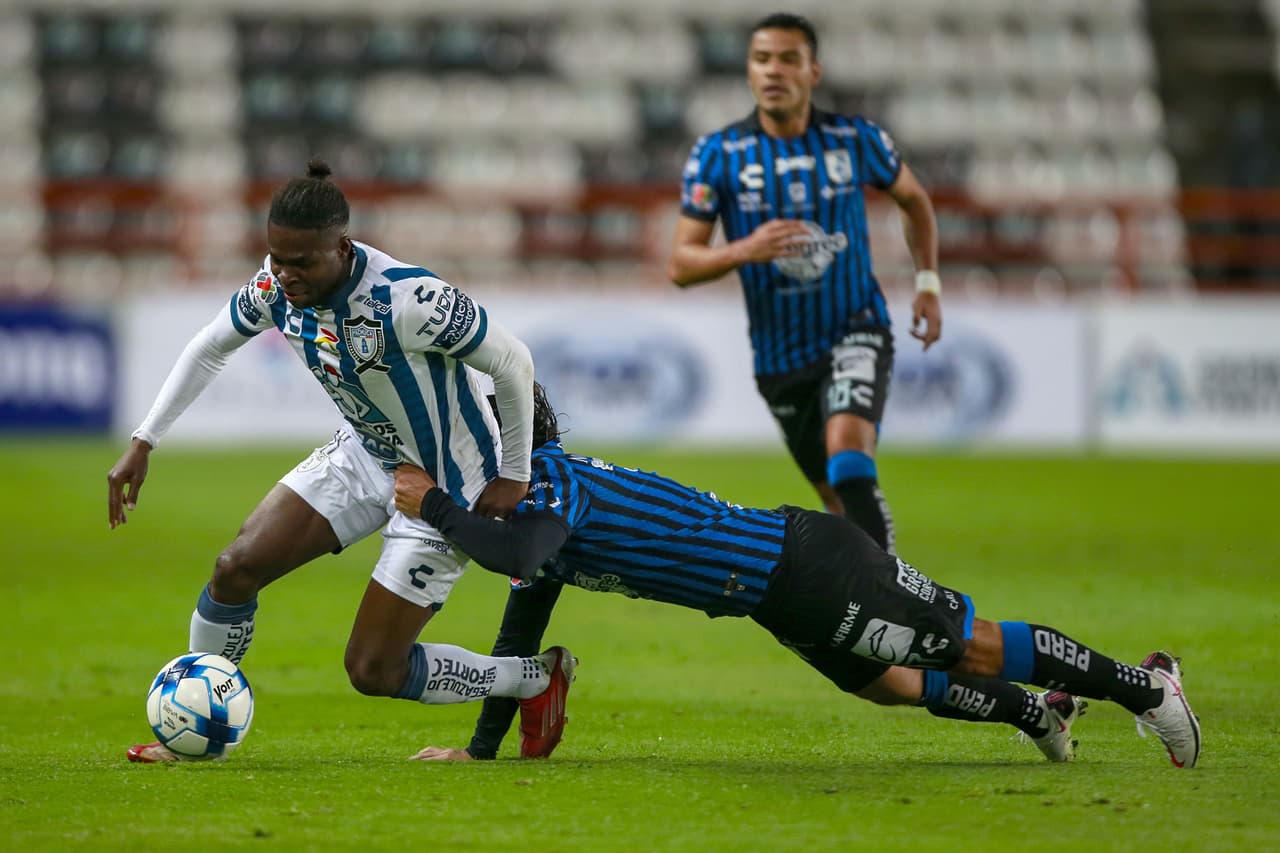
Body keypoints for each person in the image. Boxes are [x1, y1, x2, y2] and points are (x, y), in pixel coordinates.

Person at [393, 384, 1201, 769]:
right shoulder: (534, 517)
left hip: (810, 565)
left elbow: (519, 561)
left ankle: (1148, 688)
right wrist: (481, 752)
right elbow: (519, 623)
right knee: (885, 684)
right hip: (777, 596)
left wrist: (431, 502)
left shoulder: (549, 485)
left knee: (971, 645)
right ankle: (1039, 710)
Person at [107, 160, 573, 763]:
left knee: (373, 669)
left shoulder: (410, 300)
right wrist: (145, 440)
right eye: (277, 258)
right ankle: (200, 734)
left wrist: (512, 474)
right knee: (235, 568)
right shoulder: (275, 287)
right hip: (365, 453)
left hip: (446, 483)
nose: (286, 275)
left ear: (342, 248)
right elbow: (209, 347)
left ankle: (533, 678)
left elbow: (512, 362)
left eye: (303, 262)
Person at [668, 12, 944, 552]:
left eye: (788, 59)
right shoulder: (718, 154)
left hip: (855, 325)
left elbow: (914, 199)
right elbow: (680, 265)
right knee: (836, 497)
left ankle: (902, 598)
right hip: (780, 358)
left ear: (813, 70)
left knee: (848, 456)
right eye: (762, 59)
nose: (774, 71)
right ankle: (871, 601)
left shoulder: (854, 139)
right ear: (749, 71)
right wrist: (748, 248)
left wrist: (928, 282)